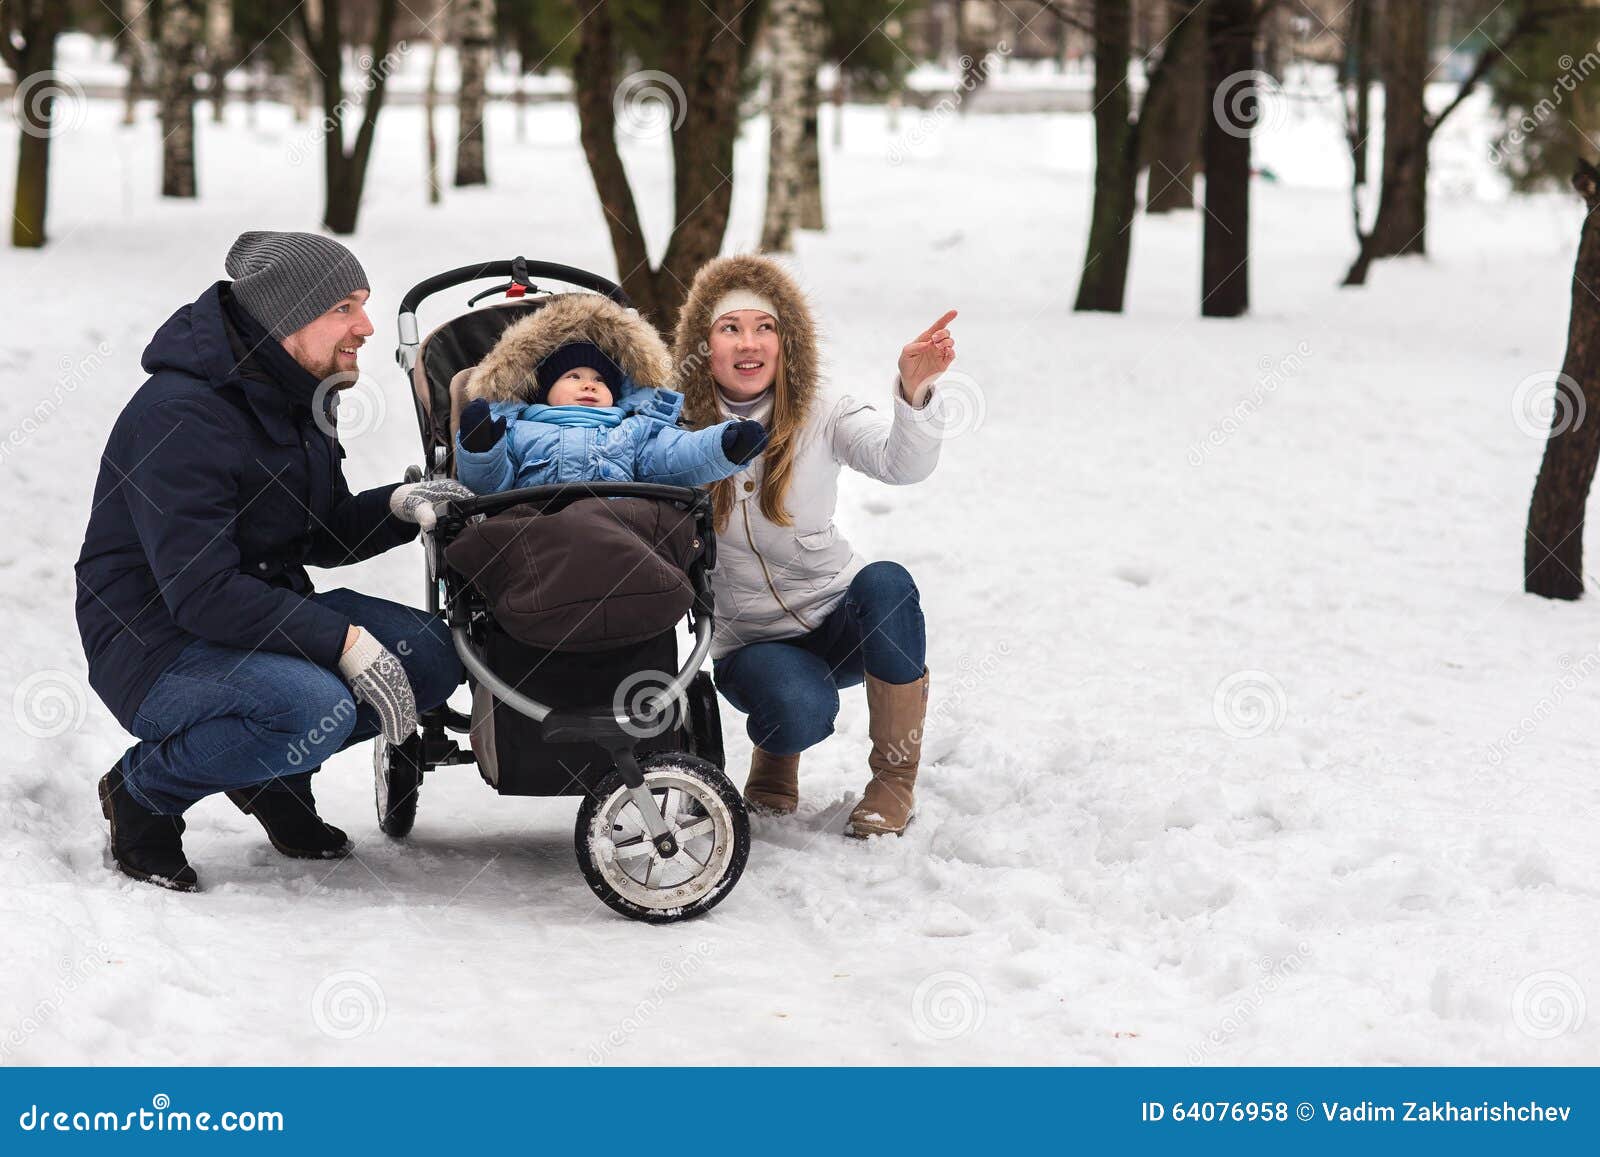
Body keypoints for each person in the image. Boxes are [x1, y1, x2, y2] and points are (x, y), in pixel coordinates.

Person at [75, 230, 472, 892]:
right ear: (286, 315)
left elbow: (319, 533)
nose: (366, 326)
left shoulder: (300, 393)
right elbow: (202, 593)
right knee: (307, 704)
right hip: (156, 645)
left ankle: (272, 776)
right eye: (345, 307)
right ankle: (142, 793)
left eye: (364, 305)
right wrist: (342, 640)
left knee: (431, 654)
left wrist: (400, 506)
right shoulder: (180, 416)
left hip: (250, 621)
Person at [671, 254, 956, 837]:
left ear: (786, 340)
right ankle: (777, 760)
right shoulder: (674, 428)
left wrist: (915, 388)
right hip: (752, 642)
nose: (749, 343)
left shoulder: (823, 412)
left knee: (889, 584)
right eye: (730, 328)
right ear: (705, 343)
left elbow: (899, 464)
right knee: (801, 707)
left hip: (837, 616)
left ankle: (893, 784)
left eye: (765, 327)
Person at [454, 293, 767, 493]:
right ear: (542, 392)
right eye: (573, 376)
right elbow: (489, 485)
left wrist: (724, 446)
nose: (589, 384)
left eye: (600, 379)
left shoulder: (634, 431)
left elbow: (676, 457)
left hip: (617, 543)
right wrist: (483, 448)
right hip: (533, 539)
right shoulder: (517, 431)